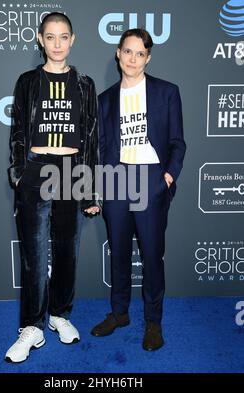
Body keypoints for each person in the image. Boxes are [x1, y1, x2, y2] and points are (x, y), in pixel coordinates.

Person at [6, 12, 99, 363]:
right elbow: (17, 129)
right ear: (40, 40)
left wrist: (89, 189)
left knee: (66, 250)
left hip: (73, 170)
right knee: (33, 253)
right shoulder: (28, 81)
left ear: (72, 40)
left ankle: (60, 315)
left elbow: (91, 139)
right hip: (36, 168)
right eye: (50, 37)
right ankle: (32, 327)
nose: (57, 43)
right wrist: (18, 172)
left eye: (63, 37)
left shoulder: (85, 84)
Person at [91, 28, 186, 351]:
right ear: (118, 54)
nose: (133, 59)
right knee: (118, 254)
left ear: (148, 57)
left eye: (140, 53)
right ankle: (119, 314)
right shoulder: (104, 100)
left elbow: (177, 142)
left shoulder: (167, 92)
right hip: (116, 182)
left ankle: (153, 322)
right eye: (127, 51)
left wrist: (167, 178)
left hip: (151, 181)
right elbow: (101, 149)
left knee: (151, 256)